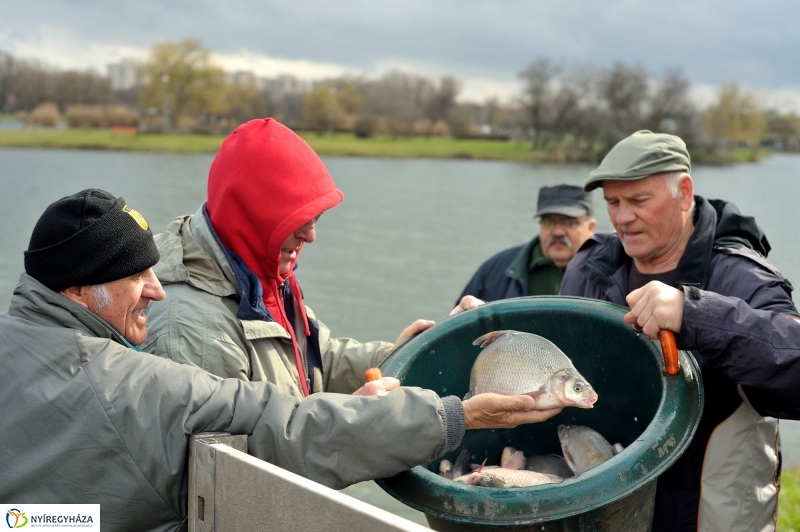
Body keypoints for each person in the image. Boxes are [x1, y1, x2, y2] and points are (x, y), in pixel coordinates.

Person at [0, 189, 562, 531]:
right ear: (78, 291)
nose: (158, 290)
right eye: (136, 277)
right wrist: (457, 417)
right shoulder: (133, 384)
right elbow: (285, 425)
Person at [559, 130, 800, 532]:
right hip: (606, 514)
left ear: (684, 193)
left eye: (638, 200)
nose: (621, 216)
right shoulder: (586, 269)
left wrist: (696, 315)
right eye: (613, 202)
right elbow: (558, 365)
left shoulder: (741, 275)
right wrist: (503, 330)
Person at [142, 118, 434, 397]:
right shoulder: (193, 330)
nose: (311, 236)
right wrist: (352, 421)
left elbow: (316, 361)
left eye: (315, 217)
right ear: (252, 216)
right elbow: (237, 446)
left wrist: (401, 353)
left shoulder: (259, 272)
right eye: (297, 220)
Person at [455, 184, 595, 307]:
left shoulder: (609, 271)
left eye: (569, 222)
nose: (557, 231)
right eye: (549, 222)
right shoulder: (496, 269)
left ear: (591, 227)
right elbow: (458, 324)